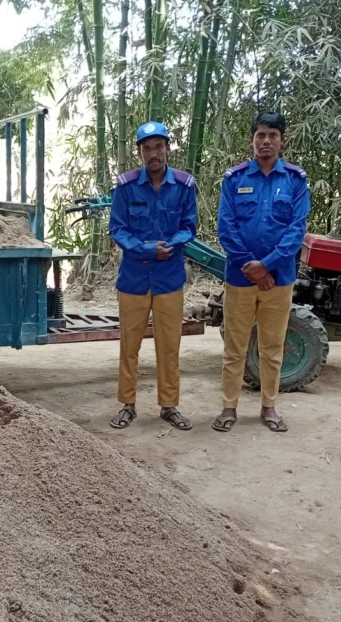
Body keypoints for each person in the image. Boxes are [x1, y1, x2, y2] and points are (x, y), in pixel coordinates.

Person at [213, 112, 310, 433]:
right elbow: (225, 228)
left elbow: (296, 231)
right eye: (260, 135)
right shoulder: (235, 179)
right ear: (252, 139)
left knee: (272, 346)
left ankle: (269, 407)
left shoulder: (295, 181)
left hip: (277, 280)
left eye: (272, 135)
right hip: (240, 277)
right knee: (235, 346)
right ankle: (229, 408)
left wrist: (266, 266)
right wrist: (252, 268)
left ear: (283, 140)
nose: (266, 141)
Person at [107, 121, 198, 431]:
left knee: (169, 345)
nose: (153, 153)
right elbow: (117, 228)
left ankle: (169, 406)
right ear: (140, 152)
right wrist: (146, 249)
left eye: (159, 146)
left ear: (167, 149)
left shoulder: (183, 185)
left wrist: (169, 246)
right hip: (133, 278)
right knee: (129, 344)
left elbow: (189, 226)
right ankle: (127, 405)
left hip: (169, 278)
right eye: (147, 148)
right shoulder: (126, 185)